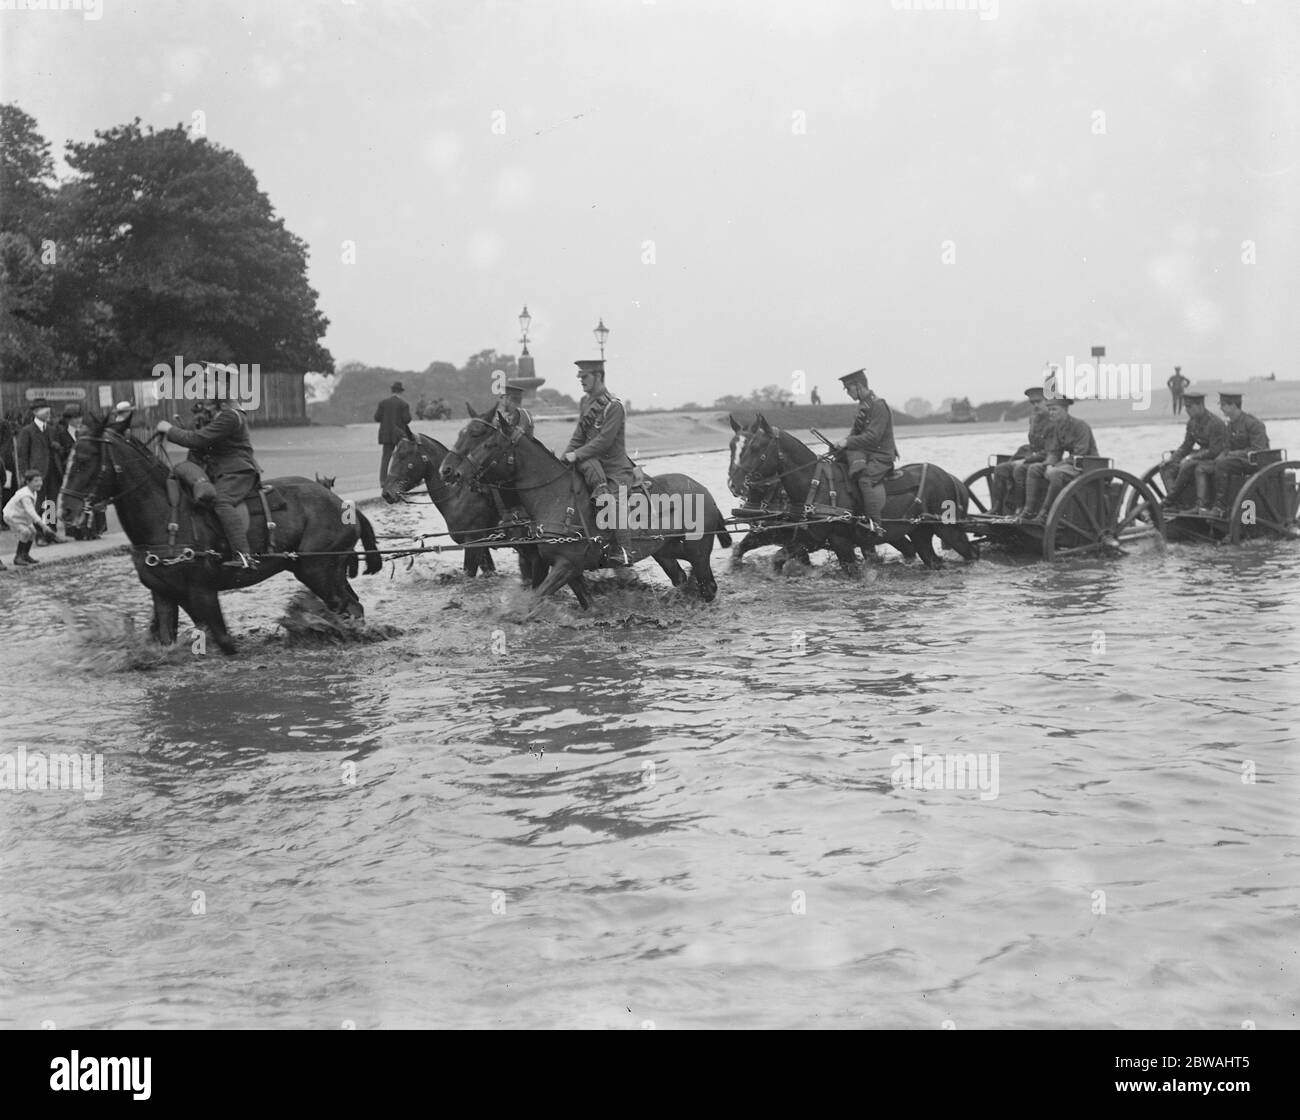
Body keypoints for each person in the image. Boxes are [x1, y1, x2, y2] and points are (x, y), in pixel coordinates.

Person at [156, 385, 264, 568]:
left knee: (221, 502)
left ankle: (244, 557)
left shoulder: (231, 416)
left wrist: (169, 429)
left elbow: (197, 439)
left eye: (207, 395)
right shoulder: (214, 416)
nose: (202, 398)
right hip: (217, 471)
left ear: (219, 400)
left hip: (238, 471)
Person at [562, 358, 637, 566]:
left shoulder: (614, 407)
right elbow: (579, 436)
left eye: (584, 377)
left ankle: (624, 552)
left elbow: (604, 441)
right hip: (591, 467)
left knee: (613, 501)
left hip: (615, 470)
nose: (581, 380)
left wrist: (576, 455)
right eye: (580, 377)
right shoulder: (585, 403)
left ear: (598, 376)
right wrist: (563, 459)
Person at [829, 368, 897, 532]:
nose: (847, 393)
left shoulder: (878, 405)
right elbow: (855, 434)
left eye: (849, 389)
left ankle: (874, 524)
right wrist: (838, 446)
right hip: (867, 454)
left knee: (864, 478)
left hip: (882, 456)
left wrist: (847, 442)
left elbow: (873, 437)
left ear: (859, 386)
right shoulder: (864, 405)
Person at [1021, 397, 1098, 521]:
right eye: (1050, 410)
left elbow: (1080, 453)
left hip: (1086, 465)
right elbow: (1054, 452)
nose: (1051, 413)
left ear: (1065, 410)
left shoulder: (1080, 426)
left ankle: (1045, 512)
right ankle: (1028, 510)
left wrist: (1056, 467)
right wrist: (1048, 464)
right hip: (1070, 464)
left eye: (1054, 410)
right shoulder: (1057, 427)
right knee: (1034, 469)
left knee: (1056, 474)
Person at [1160, 391, 1227, 512]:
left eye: (1190, 407)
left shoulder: (1215, 423)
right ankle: (1177, 502)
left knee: (1188, 465)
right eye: (1186, 407)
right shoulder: (1192, 423)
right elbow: (1186, 446)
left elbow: (1214, 450)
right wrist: (1173, 458)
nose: (1187, 410)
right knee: (1166, 468)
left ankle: (1170, 501)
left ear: (1200, 406)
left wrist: (1192, 458)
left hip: (1216, 458)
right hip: (1201, 457)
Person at [1205, 393, 1269, 518]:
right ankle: (1209, 504)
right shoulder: (1230, 425)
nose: (1221, 408)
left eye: (1223, 405)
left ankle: (1220, 507)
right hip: (1238, 462)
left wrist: (1232, 454)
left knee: (1223, 465)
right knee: (1212, 465)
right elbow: (1227, 447)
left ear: (1233, 405)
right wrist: (1222, 455)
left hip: (1255, 462)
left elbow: (1258, 449)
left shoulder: (1253, 423)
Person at [993, 386, 1053, 516]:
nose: (1035, 405)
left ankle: (1020, 508)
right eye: (1032, 403)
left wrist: (1026, 460)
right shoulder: (1034, 419)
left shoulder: (1054, 420)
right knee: (1000, 469)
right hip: (1033, 456)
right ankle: (997, 508)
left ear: (1048, 401)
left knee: (1019, 469)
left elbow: (1051, 451)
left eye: (1039, 401)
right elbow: (1033, 445)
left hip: (1048, 459)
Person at [14, 403, 64, 542]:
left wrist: (58, 448)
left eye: (49, 411)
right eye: (44, 411)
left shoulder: (53, 430)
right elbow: (22, 455)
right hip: (37, 473)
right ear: (36, 412)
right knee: (38, 504)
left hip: (53, 471)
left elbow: (60, 450)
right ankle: (40, 535)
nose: (48, 414)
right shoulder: (27, 431)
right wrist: (25, 474)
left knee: (51, 503)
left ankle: (51, 532)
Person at [4, 469, 57, 567]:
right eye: (36, 481)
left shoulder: (33, 492)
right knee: (26, 532)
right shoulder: (25, 495)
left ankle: (25, 555)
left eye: (40, 480)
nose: (39, 483)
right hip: (12, 516)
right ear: (28, 482)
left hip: (22, 516)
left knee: (33, 531)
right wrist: (44, 526)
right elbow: (31, 512)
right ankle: (18, 557)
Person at [374, 381, 414, 485]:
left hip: (386, 434)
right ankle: (401, 479)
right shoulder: (404, 404)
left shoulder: (383, 403)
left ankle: (383, 481)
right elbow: (407, 419)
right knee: (402, 457)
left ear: (392, 391)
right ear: (400, 392)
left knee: (385, 457)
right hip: (399, 434)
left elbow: (377, 418)